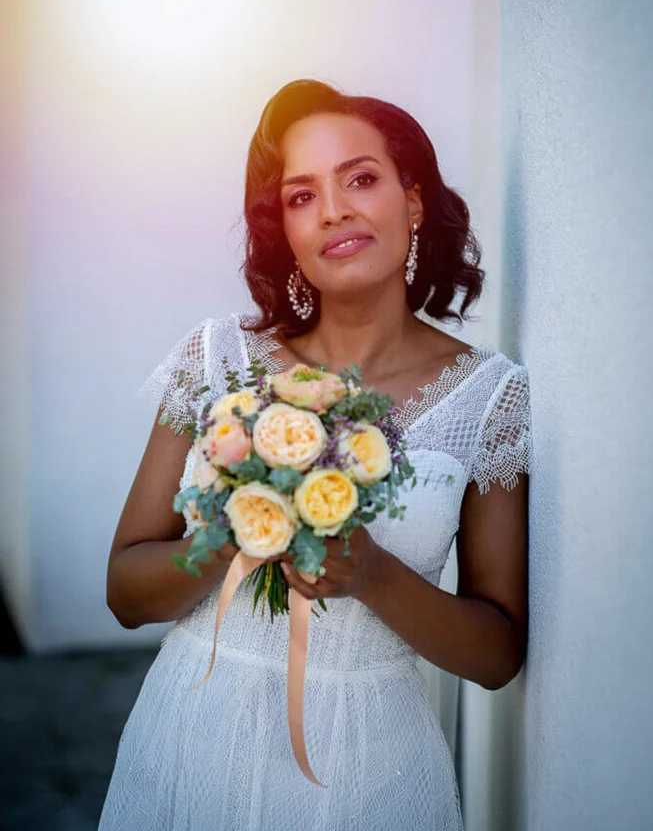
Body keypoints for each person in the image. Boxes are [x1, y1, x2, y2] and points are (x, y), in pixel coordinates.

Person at [98, 79, 532, 831]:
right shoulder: (216, 360)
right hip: (194, 742)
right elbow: (125, 594)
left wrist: (371, 575)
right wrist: (233, 535)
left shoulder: (490, 399)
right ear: (287, 234)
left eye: (360, 179)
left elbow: (496, 657)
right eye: (302, 197)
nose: (332, 210)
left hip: (370, 770)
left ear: (414, 201)